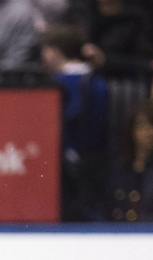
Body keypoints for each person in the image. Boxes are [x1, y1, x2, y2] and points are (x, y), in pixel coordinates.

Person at [41, 24, 108, 222]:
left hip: (69, 163)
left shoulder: (61, 83)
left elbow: (68, 118)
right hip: (93, 159)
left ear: (54, 52)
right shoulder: (95, 79)